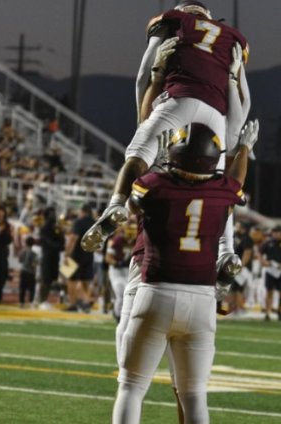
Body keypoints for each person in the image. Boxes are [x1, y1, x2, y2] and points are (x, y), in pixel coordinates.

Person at [96, 120, 257, 424]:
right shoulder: (224, 191)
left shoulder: (154, 185)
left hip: (155, 292)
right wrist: (245, 149)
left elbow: (134, 192)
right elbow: (234, 178)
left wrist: (156, 151)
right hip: (200, 299)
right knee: (194, 394)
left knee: (131, 386)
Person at [81, 1, 250, 254]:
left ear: (182, 11)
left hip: (178, 99)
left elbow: (142, 77)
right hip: (215, 114)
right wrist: (236, 139)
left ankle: (115, 205)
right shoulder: (232, 37)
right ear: (210, 16)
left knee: (137, 156)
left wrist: (144, 123)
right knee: (219, 186)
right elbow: (244, 101)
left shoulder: (173, 20)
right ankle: (226, 251)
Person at [64, 204, 96, 312]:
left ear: (83, 211)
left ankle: (74, 303)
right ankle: (85, 302)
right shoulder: (95, 223)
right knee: (85, 281)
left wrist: (67, 254)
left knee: (70, 280)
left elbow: (73, 238)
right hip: (89, 255)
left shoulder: (79, 222)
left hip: (75, 254)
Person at [261, 225, 281, 321]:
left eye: (277, 232)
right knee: (269, 291)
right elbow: (260, 253)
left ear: (280, 233)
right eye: (274, 232)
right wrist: (263, 262)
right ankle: (267, 312)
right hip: (271, 269)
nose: (275, 234)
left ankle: (279, 309)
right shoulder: (268, 243)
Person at [37, 206, 65, 309]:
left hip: (55, 256)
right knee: (45, 278)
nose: (53, 216)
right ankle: (42, 300)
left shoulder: (57, 227)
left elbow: (61, 242)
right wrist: (58, 246)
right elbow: (47, 241)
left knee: (52, 278)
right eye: (51, 213)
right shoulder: (44, 228)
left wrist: (61, 234)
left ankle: (44, 300)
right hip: (47, 255)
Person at [18, 235, 38, 308]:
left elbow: (20, 260)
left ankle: (21, 302)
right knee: (32, 288)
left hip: (23, 270)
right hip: (31, 272)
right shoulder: (34, 254)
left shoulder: (22, 251)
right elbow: (34, 264)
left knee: (22, 288)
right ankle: (31, 302)